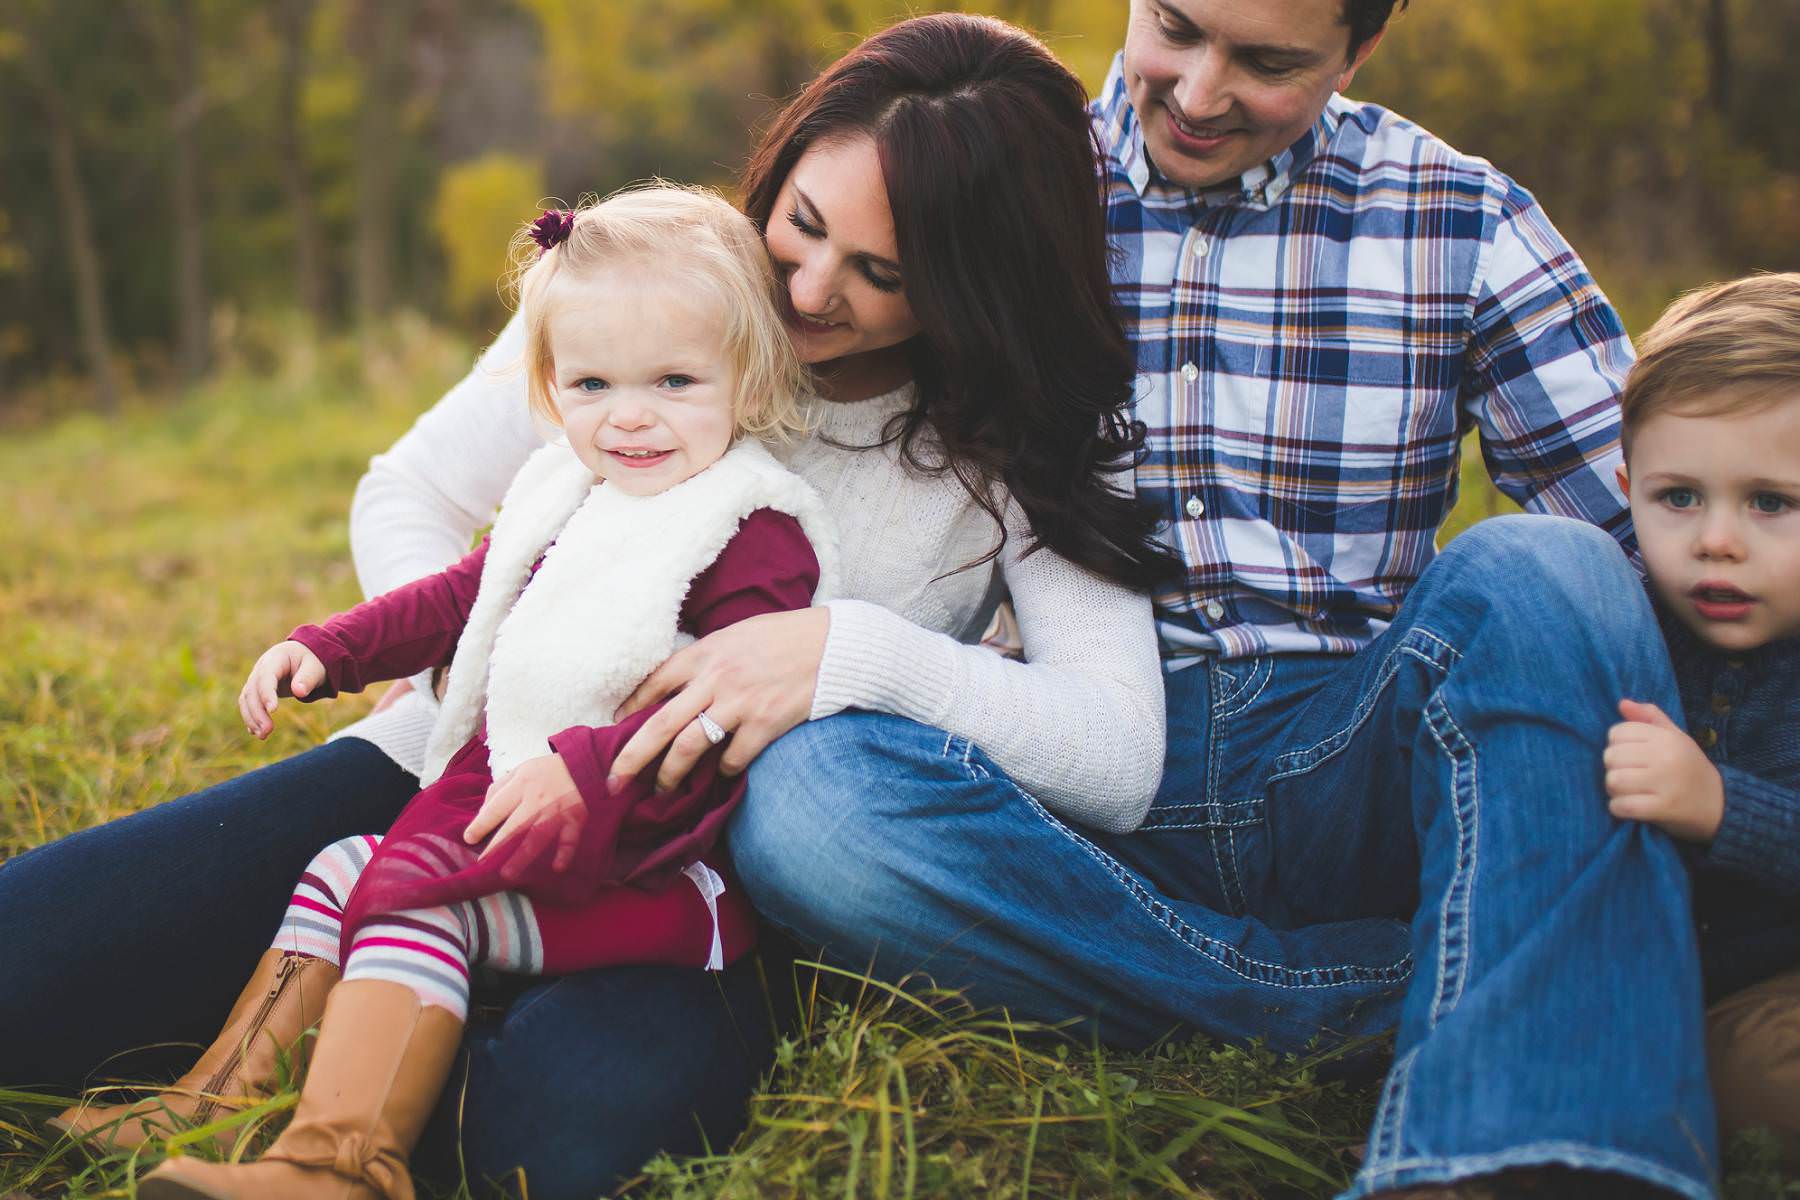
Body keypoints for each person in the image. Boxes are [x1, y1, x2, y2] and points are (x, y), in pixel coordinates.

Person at [4, 14, 1174, 1198]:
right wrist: (479, 671)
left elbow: (1117, 749)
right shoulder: (655, 286)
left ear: (980, 282)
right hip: (452, 772)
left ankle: (362, 1094)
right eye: (805, 228)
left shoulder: (1014, 440)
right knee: (26, 968)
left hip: (696, 854)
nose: (812, 291)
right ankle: (301, 1053)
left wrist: (842, 651)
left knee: (545, 1140)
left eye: (887, 273)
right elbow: (409, 491)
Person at [711, 2, 1720, 1198]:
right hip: (1072, 788)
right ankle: (1373, 999)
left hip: (1365, 755)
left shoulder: (1461, 217)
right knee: (805, 808)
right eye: (1176, 29)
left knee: (1552, 571)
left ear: (1361, 49)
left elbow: (1659, 551)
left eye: (1268, 62)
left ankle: (1514, 1154)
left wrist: (1750, 807)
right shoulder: (987, 173)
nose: (1196, 93)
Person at [58, 184, 832, 1197]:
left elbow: (723, 709)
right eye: (592, 384)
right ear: (553, 386)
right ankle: (217, 1096)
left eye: (675, 381)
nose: (629, 416)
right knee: (345, 866)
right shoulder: (570, 491)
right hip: (537, 837)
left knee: (419, 900)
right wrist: (329, 649)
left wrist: (582, 772)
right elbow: (463, 594)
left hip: (657, 872)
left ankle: (342, 1162)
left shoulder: (750, 526)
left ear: (751, 375)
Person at [1603, 273, 1800, 1171]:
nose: (1717, 540)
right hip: (1656, 983)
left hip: (1777, 980)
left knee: (1764, 1074)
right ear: (1627, 484)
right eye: (1678, 497)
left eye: (1772, 503)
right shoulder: (1612, 616)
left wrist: (1723, 806)